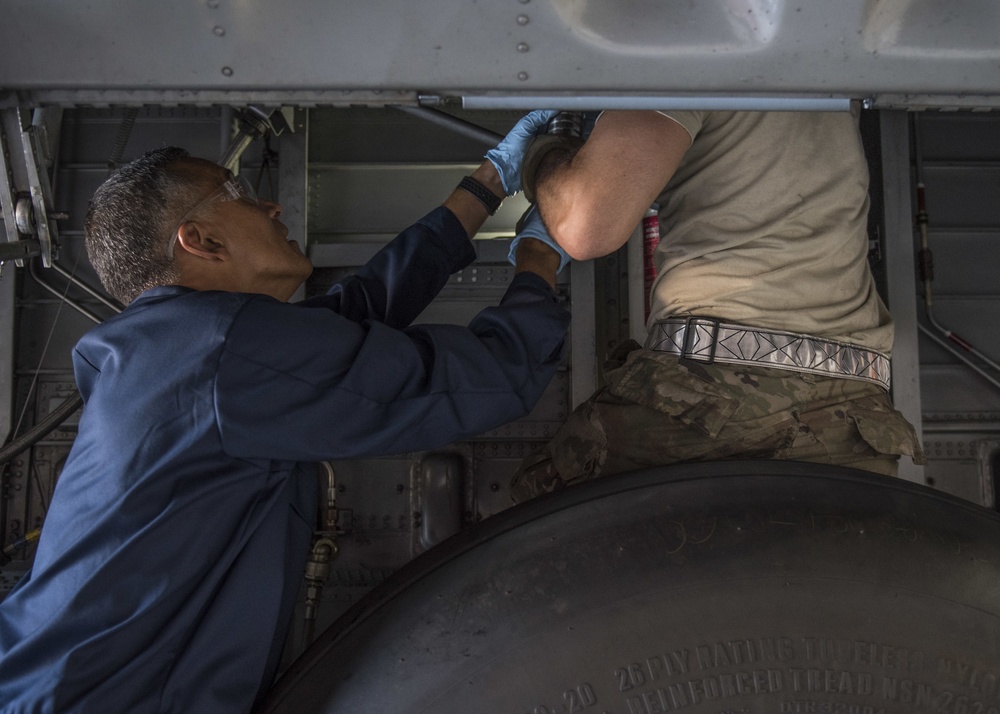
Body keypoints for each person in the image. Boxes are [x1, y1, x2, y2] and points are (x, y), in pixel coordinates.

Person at [0, 112, 571, 713]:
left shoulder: (174, 352)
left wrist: (489, 182)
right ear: (200, 240)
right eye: (239, 195)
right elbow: (493, 376)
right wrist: (538, 255)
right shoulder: (216, 352)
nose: (272, 207)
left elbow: (355, 313)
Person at [510, 108, 925, 502]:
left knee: (539, 507)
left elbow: (584, 226)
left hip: (722, 386)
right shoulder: (826, 61)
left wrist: (547, 154)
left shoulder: (682, 50)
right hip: (856, 402)